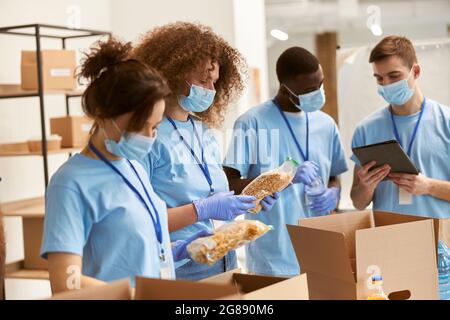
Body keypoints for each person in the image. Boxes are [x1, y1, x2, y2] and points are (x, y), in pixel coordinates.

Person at [40, 38, 206, 293]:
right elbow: (66, 281)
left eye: (155, 127)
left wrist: (178, 249)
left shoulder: (135, 168)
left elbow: (131, 252)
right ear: (103, 114)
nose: (150, 136)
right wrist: (132, 294)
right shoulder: (71, 184)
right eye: (141, 126)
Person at [132, 22, 279, 281]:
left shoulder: (203, 132)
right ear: (172, 74)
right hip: (179, 272)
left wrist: (248, 198)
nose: (210, 90)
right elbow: (139, 220)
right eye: (203, 80)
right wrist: (201, 210)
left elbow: (214, 194)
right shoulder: (149, 136)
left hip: (223, 264)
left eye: (214, 82)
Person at [223, 47, 348, 277]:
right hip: (273, 258)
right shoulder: (251, 123)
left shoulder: (326, 124)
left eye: (320, 84)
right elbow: (228, 184)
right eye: (309, 90)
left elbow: (334, 175)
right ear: (286, 88)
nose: (318, 93)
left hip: (321, 251)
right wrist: (284, 179)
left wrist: (334, 192)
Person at [350, 35, 450, 218]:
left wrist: (429, 186)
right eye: (379, 78)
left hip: (439, 240)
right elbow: (357, 202)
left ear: (416, 71)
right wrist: (366, 186)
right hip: (388, 239)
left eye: (394, 76)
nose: (386, 84)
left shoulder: (446, 122)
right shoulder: (365, 130)